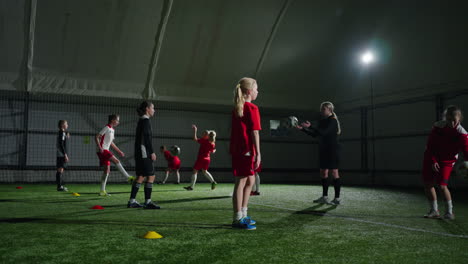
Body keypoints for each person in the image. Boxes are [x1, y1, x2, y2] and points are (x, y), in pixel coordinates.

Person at [422, 105, 468, 220]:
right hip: (431, 157)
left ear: (459, 119)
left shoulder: (462, 134)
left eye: (454, 120)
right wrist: (433, 161)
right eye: (448, 120)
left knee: (442, 186)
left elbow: (467, 152)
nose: (451, 123)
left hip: (447, 161)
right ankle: (434, 211)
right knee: (428, 184)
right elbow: (430, 146)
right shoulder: (437, 127)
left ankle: (449, 212)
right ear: (444, 118)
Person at [230, 77, 262, 230]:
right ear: (249, 92)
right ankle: (237, 218)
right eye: (256, 89)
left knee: (250, 182)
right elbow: (255, 133)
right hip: (247, 151)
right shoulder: (252, 108)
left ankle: (243, 214)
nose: (258, 91)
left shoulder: (237, 108)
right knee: (241, 182)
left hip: (239, 150)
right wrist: (258, 153)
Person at [296, 101, 342, 205]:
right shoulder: (323, 121)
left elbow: (324, 133)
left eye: (323, 109)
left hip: (333, 150)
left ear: (329, 110)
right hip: (324, 149)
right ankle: (325, 197)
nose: (321, 111)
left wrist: (310, 126)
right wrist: (303, 129)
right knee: (323, 172)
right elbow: (316, 135)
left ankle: (337, 198)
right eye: (321, 109)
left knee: (334, 173)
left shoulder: (333, 121)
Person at [127, 101, 160, 209]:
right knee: (151, 176)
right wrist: (152, 152)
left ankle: (132, 201)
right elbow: (146, 138)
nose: (154, 110)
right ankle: (148, 202)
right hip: (144, 152)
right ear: (147, 109)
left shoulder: (141, 121)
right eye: (153, 108)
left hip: (140, 152)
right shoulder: (145, 121)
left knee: (141, 176)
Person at [95, 114, 135, 196]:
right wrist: (99, 147)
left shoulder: (112, 130)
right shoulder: (106, 128)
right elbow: (97, 137)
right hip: (103, 150)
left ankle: (102, 191)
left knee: (107, 171)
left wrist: (119, 151)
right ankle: (128, 177)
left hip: (105, 149)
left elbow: (111, 143)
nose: (118, 122)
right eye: (117, 120)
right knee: (116, 161)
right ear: (113, 120)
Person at [184, 125, 217, 191]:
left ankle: (191, 187)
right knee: (204, 171)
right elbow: (212, 151)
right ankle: (213, 182)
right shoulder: (212, 143)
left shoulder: (204, 140)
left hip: (201, 158)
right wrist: (214, 150)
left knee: (194, 171)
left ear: (207, 136)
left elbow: (194, 138)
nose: (202, 134)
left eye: (204, 134)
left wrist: (195, 130)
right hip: (207, 159)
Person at [56, 120, 70, 192]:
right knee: (60, 169)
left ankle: (60, 186)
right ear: (62, 125)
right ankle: (60, 186)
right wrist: (65, 154)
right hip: (61, 154)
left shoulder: (62, 133)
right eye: (66, 124)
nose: (67, 125)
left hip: (60, 154)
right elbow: (61, 144)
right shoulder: (62, 133)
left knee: (60, 169)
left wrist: (66, 134)